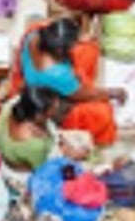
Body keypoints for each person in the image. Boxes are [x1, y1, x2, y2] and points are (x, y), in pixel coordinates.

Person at [8, 17, 126, 146]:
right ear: (60, 51)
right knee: (102, 112)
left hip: (34, 80)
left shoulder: (35, 33)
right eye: (72, 45)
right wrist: (112, 92)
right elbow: (83, 94)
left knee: (87, 48)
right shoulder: (57, 74)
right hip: (50, 93)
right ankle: (101, 141)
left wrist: (79, 37)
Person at [0, 85, 58, 171]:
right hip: (22, 174)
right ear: (38, 116)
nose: (56, 108)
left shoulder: (10, 106)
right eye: (52, 109)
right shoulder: (35, 144)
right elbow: (41, 171)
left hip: (5, 156)